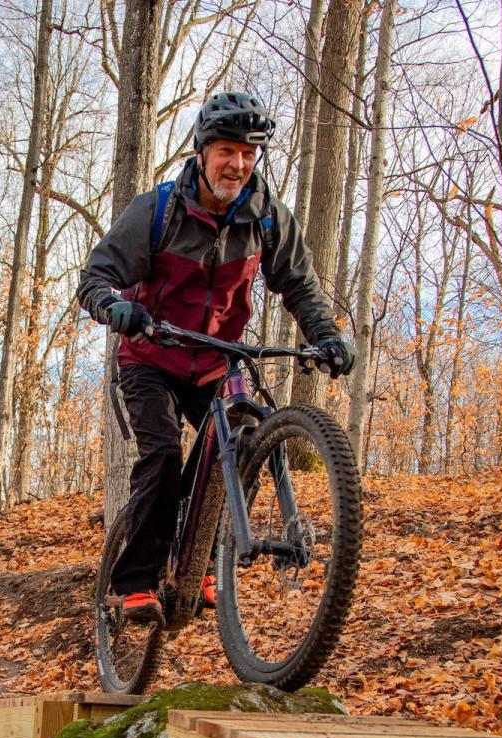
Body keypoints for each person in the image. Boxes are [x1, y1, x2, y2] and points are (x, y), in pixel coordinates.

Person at [77, 90, 356, 622]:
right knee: (162, 456)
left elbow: (299, 284)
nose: (238, 164)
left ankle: (204, 559)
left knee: (240, 443)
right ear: (203, 151)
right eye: (228, 150)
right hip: (151, 356)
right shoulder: (157, 210)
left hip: (214, 361)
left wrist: (328, 335)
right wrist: (115, 307)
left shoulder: (266, 216)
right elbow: (96, 277)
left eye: (250, 154)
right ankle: (132, 582)